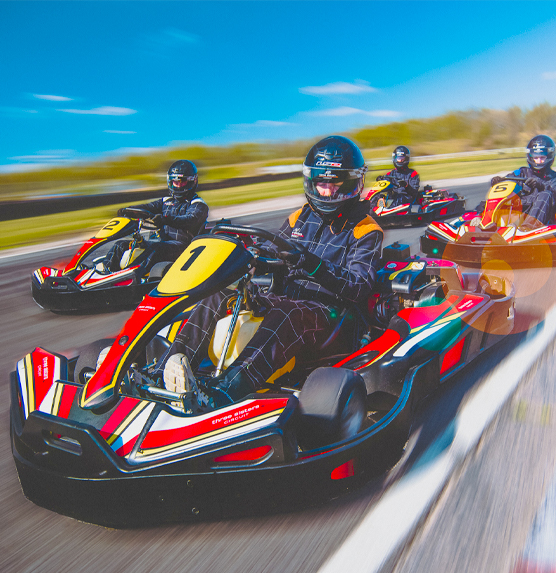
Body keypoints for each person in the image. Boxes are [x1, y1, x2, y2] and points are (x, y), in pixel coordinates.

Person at [159, 136, 383, 408]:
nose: (325, 192)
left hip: (331, 316)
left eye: (333, 184)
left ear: (350, 183)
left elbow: (358, 286)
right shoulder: (299, 216)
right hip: (287, 300)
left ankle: (224, 393)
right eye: (321, 184)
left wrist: (311, 264)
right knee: (222, 294)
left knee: (288, 312)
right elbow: (269, 246)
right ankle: (168, 370)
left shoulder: (366, 230)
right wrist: (250, 254)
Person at [108, 160, 208, 272]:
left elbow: (189, 220)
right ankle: (103, 273)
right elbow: (147, 207)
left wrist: (165, 220)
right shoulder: (166, 201)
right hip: (161, 242)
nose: (178, 185)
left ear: (192, 181)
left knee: (156, 248)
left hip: (184, 247)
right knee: (121, 245)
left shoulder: (198, 204)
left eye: (182, 182)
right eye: (175, 182)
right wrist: (128, 210)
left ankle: (132, 274)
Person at [490, 135, 556, 230]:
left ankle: (527, 228)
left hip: (543, 221)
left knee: (546, 194)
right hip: (516, 218)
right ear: (530, 156)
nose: (539, 161)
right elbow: (507, 184)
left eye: (542, 158)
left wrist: (542, 185)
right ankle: (484, 220)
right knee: (504, 194)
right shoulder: (520, 173)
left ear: (550, 157)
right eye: (536, 157)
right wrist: (499, 182)